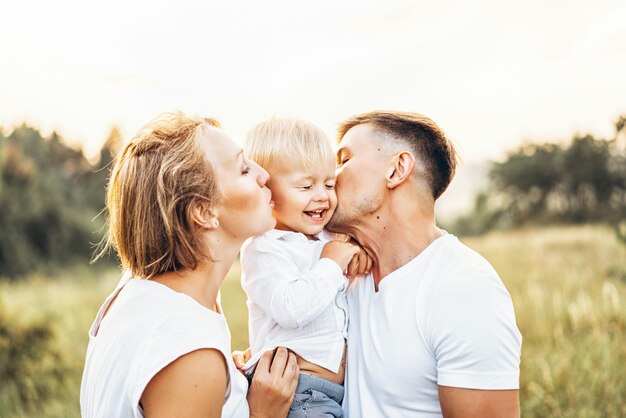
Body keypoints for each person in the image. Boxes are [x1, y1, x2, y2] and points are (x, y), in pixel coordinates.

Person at [80, 112, 299, 418]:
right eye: (244, 169)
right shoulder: (189, 346)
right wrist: (261, 414)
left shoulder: (141, 292)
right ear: (203, 211)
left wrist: (230, 383)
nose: (265, 175)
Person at [325, 111, 523, 417]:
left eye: (344, 159)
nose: (329, 176)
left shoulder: (465, 289)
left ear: (397, 170)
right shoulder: (338, 272)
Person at [239, 118, 371, 417]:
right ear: (268, 193)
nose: (322, 195)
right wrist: (332, 264)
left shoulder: (327, 238)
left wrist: (352, 252)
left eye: (329, 184)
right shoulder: (265, 247)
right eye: (306, 185)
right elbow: (291, 308)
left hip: (335, 393)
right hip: (297, 394)